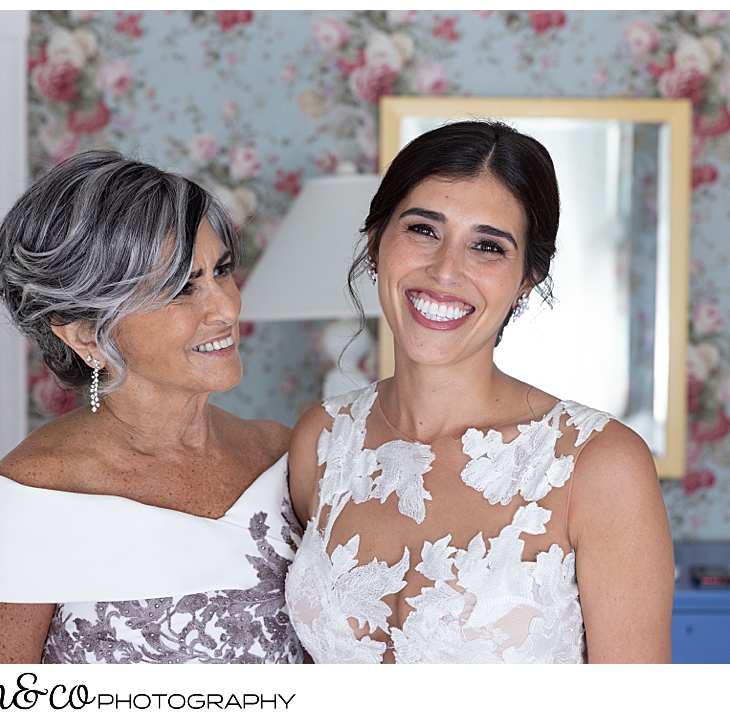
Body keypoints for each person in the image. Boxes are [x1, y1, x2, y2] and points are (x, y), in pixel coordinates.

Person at [284, 121, 673, 663]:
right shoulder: (322, 442)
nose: (445, 270)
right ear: (376, 244)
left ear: (525, 281)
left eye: (487, 246)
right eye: (423, 230)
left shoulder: (600, 465)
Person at [0, 150, 304, 664]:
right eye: (181, 288)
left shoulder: (284, 454)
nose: (226, 308)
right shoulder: (33, 496)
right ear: (86, 332)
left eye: (221, 271)